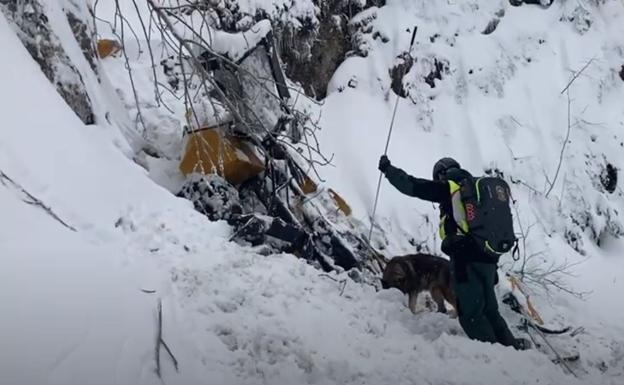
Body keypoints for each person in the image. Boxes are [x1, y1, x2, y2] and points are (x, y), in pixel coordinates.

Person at [378, 155, 530, 350]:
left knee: (471, 314)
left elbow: (412, 186)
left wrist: (388, 169)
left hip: (466, 261)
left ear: (441, 175)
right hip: (489, 260)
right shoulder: (475, 190)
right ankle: (513, 349)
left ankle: (497, 359)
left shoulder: (450, 188)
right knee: (490, 310)